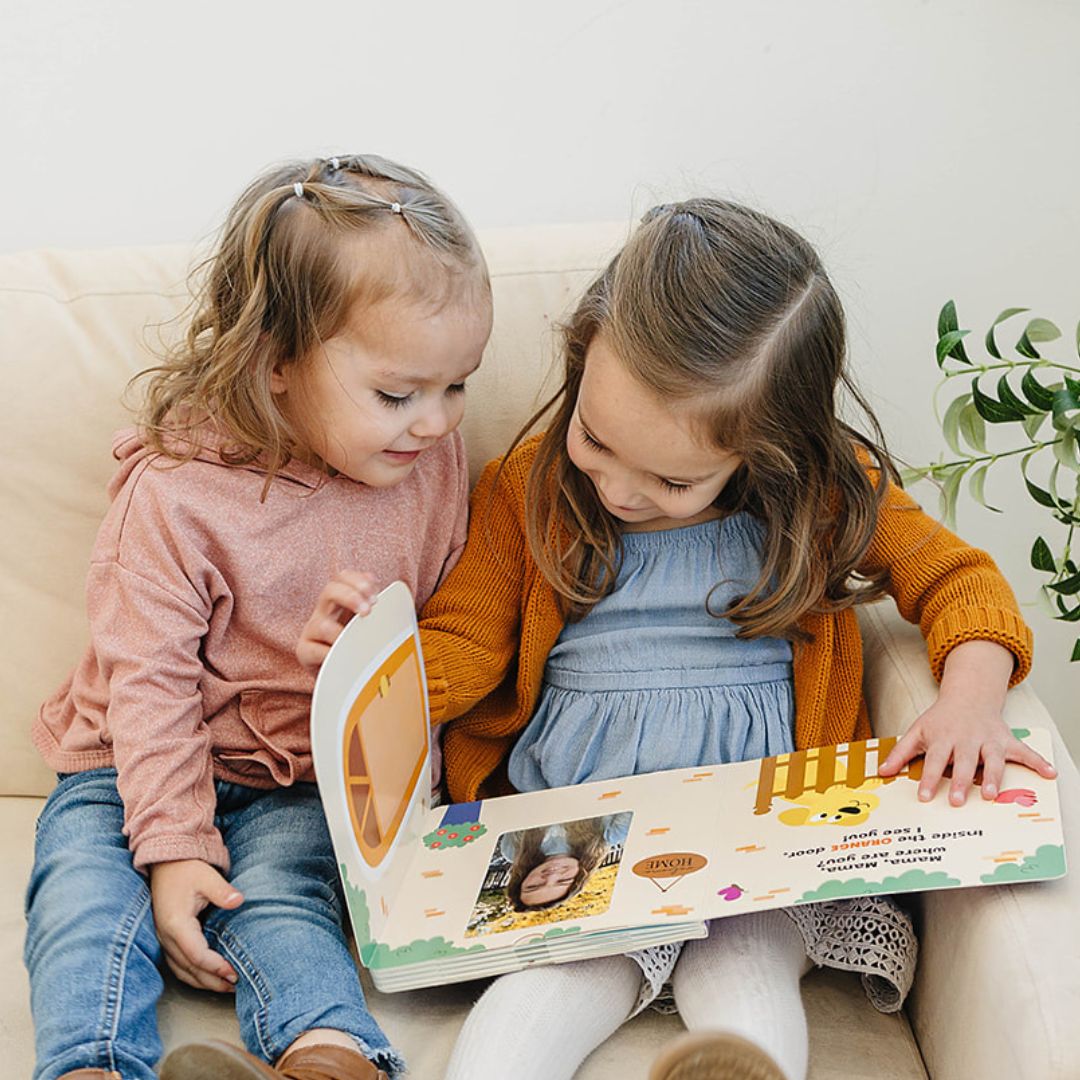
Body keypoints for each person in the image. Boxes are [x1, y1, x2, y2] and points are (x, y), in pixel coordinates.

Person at [298, 199, 1055, 1080]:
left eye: (672, 478)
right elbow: (468, 641)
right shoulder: (527, 488)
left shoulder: (823, 492)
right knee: (538, 1000)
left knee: (746, 973)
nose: (619, 489)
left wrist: (969, 698)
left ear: (765, 450)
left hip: (758, 830)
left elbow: (960, 580)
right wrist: (380, 671)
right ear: (582, 362)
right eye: (595, 438)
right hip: (578, 844)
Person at [24, 154, 492, 1080]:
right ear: (273, 364)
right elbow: (146, 684)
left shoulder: (428, 463)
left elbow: (435, 651)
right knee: (82, 900)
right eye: (399, 394)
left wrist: (364, 676)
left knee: (286, 899)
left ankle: (326, 1052)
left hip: (302, 781)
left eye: (459, 385)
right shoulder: (175, 495)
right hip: (130, 766)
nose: (436, 423)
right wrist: (172, 849)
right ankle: (91, 1064)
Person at [500, 812, 631, 912]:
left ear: (521, 880)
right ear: (579, 876)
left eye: (533, 886)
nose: (551, 876)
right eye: (563, 881)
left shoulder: (513, 850)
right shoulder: (613, 834)